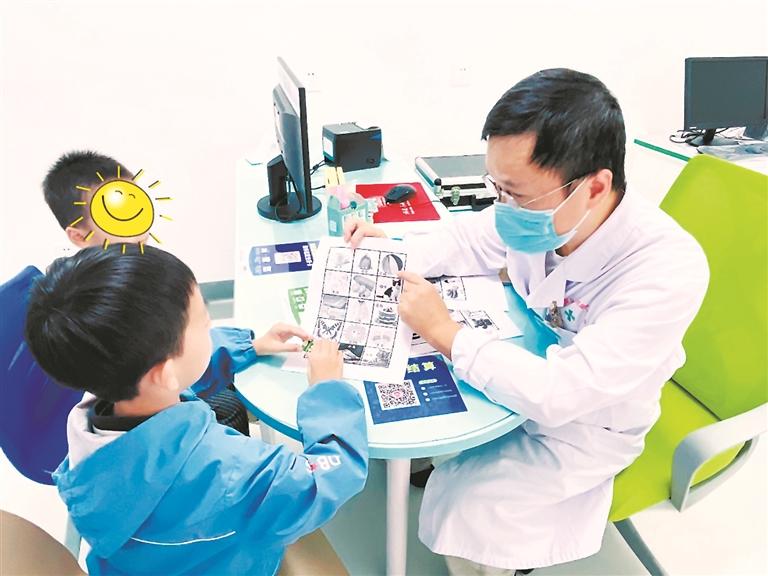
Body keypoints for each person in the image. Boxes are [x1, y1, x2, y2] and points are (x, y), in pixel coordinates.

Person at [345, 68, 709, 574]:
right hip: (520, 360)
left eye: (515, 193)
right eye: (497, 187)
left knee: (467, 505)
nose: (503, 206)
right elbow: (470, 238)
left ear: (595, 186)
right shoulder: (547, 215)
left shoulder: (665, 270)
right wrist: (397, 255)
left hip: (587, 425)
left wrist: (445, 332)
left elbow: (563, 392)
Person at [24, 245, 368, 575]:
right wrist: (327, 389)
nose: (210, 327)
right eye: (204, 323)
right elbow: (326, 477)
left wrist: (248, 346)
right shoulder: (232, 470)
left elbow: (165, 378)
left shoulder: (93, 418)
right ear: (165, 372)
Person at [42, 150, 253, 434]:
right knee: (228, 403)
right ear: (79, 236)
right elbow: (161, 375)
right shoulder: (108, 304)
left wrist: (248, 345)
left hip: (159, 387)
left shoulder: (133, 270)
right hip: (152, 413)